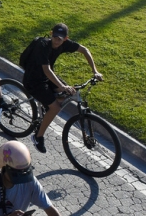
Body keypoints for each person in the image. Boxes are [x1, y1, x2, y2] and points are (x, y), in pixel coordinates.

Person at [22, 24, 103, 153]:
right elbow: (46, 70)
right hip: (33, 80)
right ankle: (38, 136)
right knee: (56, 107)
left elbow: (84, 50)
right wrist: (62, 86)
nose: (56, 40)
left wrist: (95, 71)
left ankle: (47, 109)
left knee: (67, 92)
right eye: (54, 36)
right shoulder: (42, 45)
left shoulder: (65, 44)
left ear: (66, 38)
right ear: (51, 34)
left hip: (47, 77)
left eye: (60, 38)